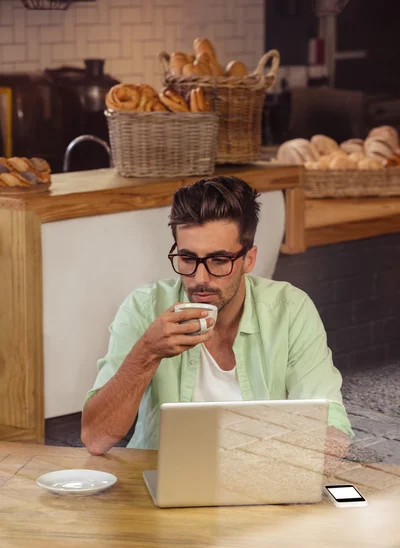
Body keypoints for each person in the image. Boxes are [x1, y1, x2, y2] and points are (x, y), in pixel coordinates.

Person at [81, 176, 353, 458]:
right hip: (159, 481)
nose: (200, 279)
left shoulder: (290, 309)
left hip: (263, 481)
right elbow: (95, 439)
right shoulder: (144, 308)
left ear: (249, 259)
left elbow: (328, 422)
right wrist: (146, 353)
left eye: (219, 261)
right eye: (187, 258)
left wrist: (305, 467)